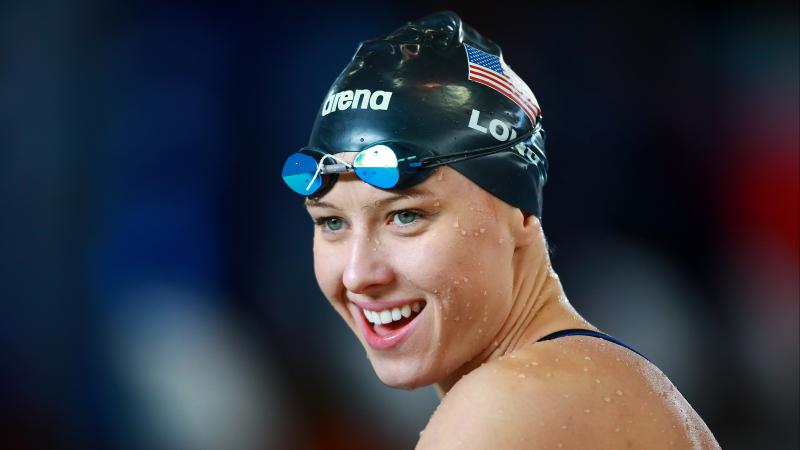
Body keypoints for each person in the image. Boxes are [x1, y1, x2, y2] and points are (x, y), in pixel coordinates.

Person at [281, 11, 721, 449]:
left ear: (522, 215)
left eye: (406, 216)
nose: (358, 274)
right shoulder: (595, 379)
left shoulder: (509, 405)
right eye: (331, 222)